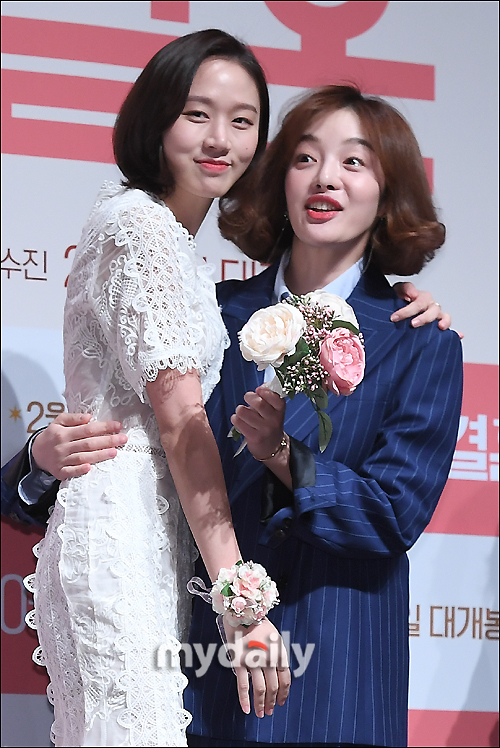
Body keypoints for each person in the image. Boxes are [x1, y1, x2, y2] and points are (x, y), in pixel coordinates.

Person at [0, 86, 458, 748]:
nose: (326, 177)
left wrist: (282, 455)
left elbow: (393, 512)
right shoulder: (206, 313)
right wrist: (39, 464)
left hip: (333, 681)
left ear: (390, 194)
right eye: (304, 158)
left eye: (354, 163)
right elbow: (147, 468)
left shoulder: (421, 338)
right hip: (194, 678)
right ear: (276, 180)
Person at [10, 29, 296, 748]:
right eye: (197, 113)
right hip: (119, 538)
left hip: (144, 540)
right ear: (156, 117)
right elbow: (179, 422)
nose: (220, 138)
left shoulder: (165, 235)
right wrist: (241, 599)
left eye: (243, 120)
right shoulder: (141, 228)